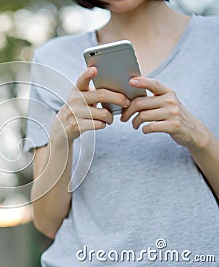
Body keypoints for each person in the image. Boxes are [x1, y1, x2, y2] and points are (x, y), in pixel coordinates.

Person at [24, 0, 219, 266]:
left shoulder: (213, 40)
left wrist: (199, 139)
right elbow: (47, 222)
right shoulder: (53, 59)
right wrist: (61, 136)